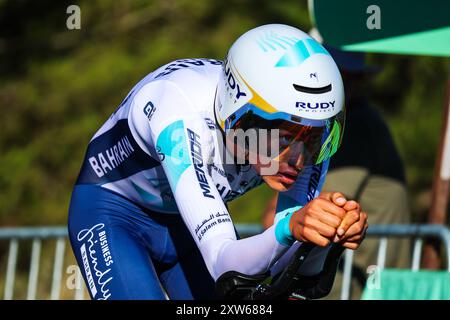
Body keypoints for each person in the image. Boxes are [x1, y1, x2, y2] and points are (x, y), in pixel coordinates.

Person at [68, 24, 368, 300]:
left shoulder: (307, 137)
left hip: (186, 226)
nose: (299, 159)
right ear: (239, 115)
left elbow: (291, 277)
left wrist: (327, 236)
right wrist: (291, 227)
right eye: (284, 137)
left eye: (314, 137)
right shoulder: (178, 113)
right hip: (113, 213)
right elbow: (225, 263)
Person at [262, 44, 411, 299]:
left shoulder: (355, 126)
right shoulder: (362, 120)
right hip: (364, 279)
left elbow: (307, 212)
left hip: (359, 284)